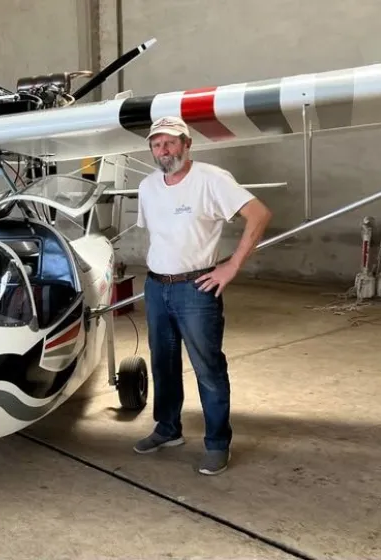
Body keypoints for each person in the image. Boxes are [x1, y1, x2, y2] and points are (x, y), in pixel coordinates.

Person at [132, 116, 272, 475]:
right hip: (156, 285)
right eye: (156, 144)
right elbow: (161, 236)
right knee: (163, 364)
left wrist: (232, 265)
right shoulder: (148, 186)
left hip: (196, 288)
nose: (163, 150)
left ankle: (216, 443)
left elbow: (259, 214)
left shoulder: (211, 179)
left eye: (170, 143)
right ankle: (167, 429)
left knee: (208, 368)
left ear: (186, 143)